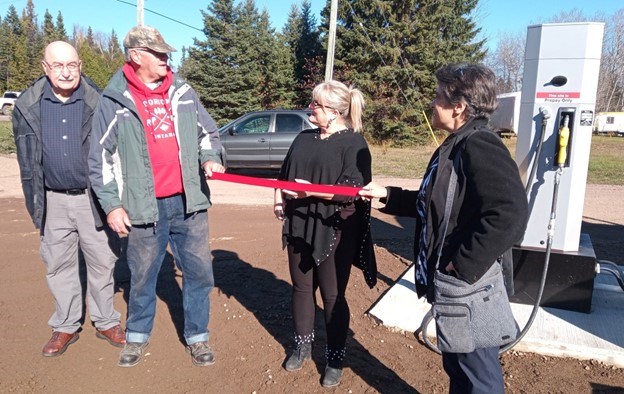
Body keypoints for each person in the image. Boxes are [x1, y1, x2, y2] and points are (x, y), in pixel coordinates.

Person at [359, 63, 529, 393]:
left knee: (477, 376)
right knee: (458, 367)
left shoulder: (478, 144)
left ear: (459, 107)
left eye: (439, 96)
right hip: (454, 287)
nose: (433, 102)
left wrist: (460, 265)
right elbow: (435, 203)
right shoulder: (456, 143)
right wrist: (388, 196)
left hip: (469, 289)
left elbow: (510, 214)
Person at [88, 25, 225, 368]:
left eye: (167, 53)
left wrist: (210, 157)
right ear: (136, 56)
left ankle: (197, 335)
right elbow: (99, 157)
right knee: (143, 274)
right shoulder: (115, 99)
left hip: (188, 203)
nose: (167, 59)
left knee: (198, 272)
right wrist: (113, 205)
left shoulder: (183, 91)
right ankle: (136, 335)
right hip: (142, 207)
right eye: (159, 54)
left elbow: (207, 132)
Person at [12, 41, 126, 357]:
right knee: (59, 265)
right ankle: (65, 324)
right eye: (58, 65)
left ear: (80, 66)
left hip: (92, 199)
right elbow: (27, 159)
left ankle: (105, 321)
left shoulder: (99, 102)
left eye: (72, 65)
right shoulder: (27, 105)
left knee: (103, 262)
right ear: (45, 68)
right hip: (52, 200)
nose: (66, 72)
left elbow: (116, 152)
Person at [274, 80, 377, 388]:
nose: (311, 109)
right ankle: (302, 346)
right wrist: (279, 199)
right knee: (301, 289)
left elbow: (351, 191)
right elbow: (283, 175)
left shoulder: (354, 143)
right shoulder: (303, 138)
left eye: (316, 105)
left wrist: (311, 192)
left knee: (332, 295)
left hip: (334, 227)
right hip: (299, 222)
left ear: (333, 112)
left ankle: (334, 357)